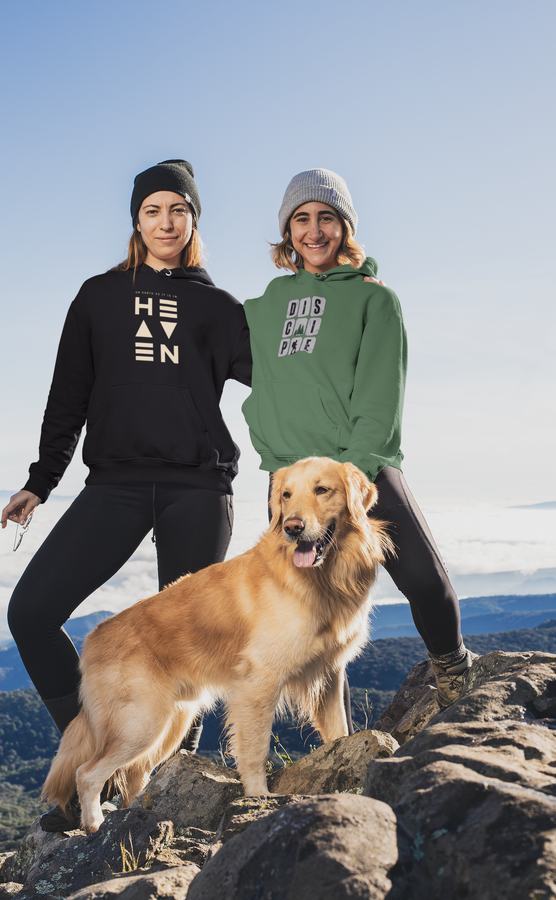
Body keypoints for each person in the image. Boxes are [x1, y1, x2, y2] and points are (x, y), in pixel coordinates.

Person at [1, 159, 252, 830]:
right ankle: (98, 762)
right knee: (31, 613)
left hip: (198, 486)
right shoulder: (98, 297)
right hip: (115, 483)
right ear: (136, 221)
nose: (166, 222)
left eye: (179, 210)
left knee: (189, 649)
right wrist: (41, 480)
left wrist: (337, 299)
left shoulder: (222, 309)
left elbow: (287, 379)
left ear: (193, 220)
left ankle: (167, 795)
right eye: (153, 210)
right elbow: (68, 395)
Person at [241, 168, 472, 718]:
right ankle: (339, 743)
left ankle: (456, 680)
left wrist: (355, 478)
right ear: (287, 231)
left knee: (426, 583)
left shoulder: (375, 301)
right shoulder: (267, 303)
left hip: (359, 471)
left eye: (327, 218)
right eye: (301, 219)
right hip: (291, 483)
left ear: (345, 227)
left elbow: (380, 396)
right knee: (312, 615)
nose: (314, 231)